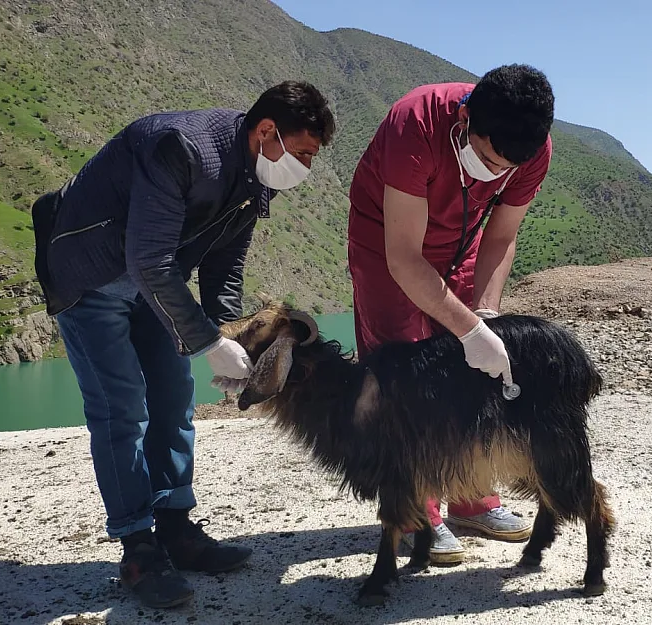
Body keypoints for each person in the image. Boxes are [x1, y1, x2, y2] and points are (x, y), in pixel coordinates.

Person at [30, 81, 335, 608]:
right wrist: (207, 343)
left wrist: (223, 332)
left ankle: (175, 527)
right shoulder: (181, 146)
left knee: (174, 399)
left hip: (156, 285)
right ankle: (138, 549)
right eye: (304, 152)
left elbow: (225, 267)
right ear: (267, 131)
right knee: (121, 410)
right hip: (92, 277)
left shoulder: (257, 178)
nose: (305, 166)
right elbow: (147, 260)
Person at [346, 63, 555, 564]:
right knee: (405, 378)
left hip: (461, 245)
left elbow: (502, 236)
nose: (496, 172)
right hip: (387, 248)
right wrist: (467, 328)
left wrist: (483, 313)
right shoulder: (414, 123)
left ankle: (471, 498)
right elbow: (403, 258)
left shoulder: (529, 147)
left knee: (470, 374)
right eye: (486, 158)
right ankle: (418, 513)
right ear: (464, 120)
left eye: (507, 168)